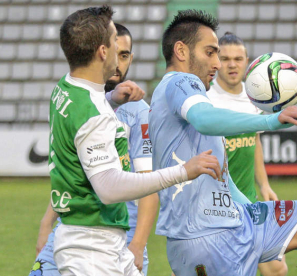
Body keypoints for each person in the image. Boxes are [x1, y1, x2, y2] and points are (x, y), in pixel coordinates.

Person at [149, 9, 297, 276]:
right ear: (181, 51)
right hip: (209, 237)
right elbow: (203, 118)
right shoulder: (179, 82)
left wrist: (255, 210)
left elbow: (222, 180)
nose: (218, 64)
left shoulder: (187, 96)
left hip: (236, 223)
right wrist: (270, 121)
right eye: (210, 52)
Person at [48, 6, 220, 276]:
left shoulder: (66, 87)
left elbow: (80, 122)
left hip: (101, 241)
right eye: (114, 41)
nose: (119, 49)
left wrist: (111, 100)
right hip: (92, 248)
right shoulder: (93, 115)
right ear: (103, 52)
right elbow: (108, 188)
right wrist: (183, 171)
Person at [29, 22, 157, 276]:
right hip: (75, 225)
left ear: (131, 58)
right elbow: (73, 172)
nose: (118, 63)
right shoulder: (82, 100)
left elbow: (148, 188)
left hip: (118, 232)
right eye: (114, 53)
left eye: (124, 55)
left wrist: (138, 244)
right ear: (101, 53)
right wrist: (48, 222)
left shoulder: (139, 112)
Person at [206, 32, 287, 276]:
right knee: (196, 267)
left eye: (238, 59)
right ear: (217, 61)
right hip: (214, 205)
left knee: (276, 268)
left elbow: (255, 140)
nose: (232, 64)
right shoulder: (206, 99)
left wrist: (264, 185)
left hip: (248, 201)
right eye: (226, 58)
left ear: (247, 61)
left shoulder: (255, 96)